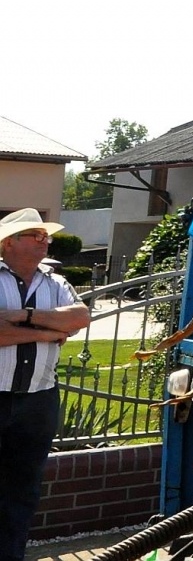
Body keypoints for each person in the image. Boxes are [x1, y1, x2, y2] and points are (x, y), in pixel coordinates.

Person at [0, 210, 89, 561]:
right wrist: (53, 332)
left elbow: (80, 317)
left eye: (44, 235)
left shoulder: (55, 282)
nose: (43, 240)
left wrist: (26, 316)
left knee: (22, 490)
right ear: (8, 243)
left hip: (38, 403)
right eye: (33, 234)